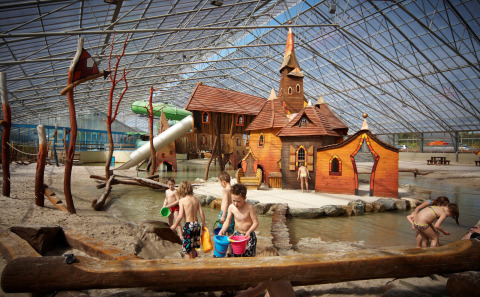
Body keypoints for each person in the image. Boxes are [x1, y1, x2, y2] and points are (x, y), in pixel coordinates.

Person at [218, 183, 259, 257]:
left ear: (244, 198)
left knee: (249, 258)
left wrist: (249, 231)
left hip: (248, 235)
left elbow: (255, 223)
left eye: (238, 201)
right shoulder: (231, 207)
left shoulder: (249, 207)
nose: (235, 203)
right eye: (233, 200)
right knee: (235, 256)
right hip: (237, 235)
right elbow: (228, 221)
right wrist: (223, 230)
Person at [170, 181, 206, 259]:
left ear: (182, 191)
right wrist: (204, 224)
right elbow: (202, 213)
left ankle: (188, 267)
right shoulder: (196, 199)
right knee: (193, 248)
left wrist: (174, 225)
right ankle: (193, 266)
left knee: (186, 250)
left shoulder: (182, 201)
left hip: (188, 226)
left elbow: (180, 215)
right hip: (197, 225)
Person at [217, 171, 235, 235]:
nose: (221, 185)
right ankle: (230, 245)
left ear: (224, 182)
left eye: (220, 183)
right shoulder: (233, 189)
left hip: (225, 213)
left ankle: (222, 245)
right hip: (232, 214)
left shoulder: (225, 190)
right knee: (230, 233)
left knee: (221, 232)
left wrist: (223, 216)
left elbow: (226, 204)